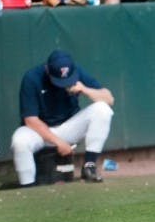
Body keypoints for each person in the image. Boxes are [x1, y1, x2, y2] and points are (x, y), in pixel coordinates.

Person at [10, 49, 114, 186]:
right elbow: (30, 120)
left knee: (103, 109)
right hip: (40, 132)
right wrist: (58, 142)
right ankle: (28, 188)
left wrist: (85, 90)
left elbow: (109, 99)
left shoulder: (77, 72)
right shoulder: (32, 77)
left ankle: (89, 166)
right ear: (47, 69)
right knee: (19, 141)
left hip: (68, 128)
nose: (64, 84)